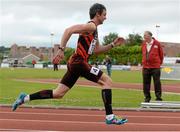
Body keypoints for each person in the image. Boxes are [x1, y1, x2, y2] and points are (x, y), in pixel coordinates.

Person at [12, 3, 127, 125]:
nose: (105, 17)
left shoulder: (94, 30)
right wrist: (61, 50)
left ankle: (24, 98)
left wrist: (113, 44)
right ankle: (110, 117)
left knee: (58, 93)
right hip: (79, 62)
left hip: (76, 63)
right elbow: (69, 30)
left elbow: (97, 50)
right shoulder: (91, 26)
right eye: (104, 15)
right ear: (97, 14)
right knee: (107, 81)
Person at [141, 31, 164, 102]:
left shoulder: (157, 43)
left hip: (155, 67)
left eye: (145, 35)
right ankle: (147, 98)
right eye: (144, 35)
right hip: (145, 67)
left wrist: (159, 63)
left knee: (157, 83)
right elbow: (143, 53)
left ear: (150, 36)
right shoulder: (143, 44)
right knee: (146, 83)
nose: (144, 37)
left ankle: (158, 97)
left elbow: (161, 54)